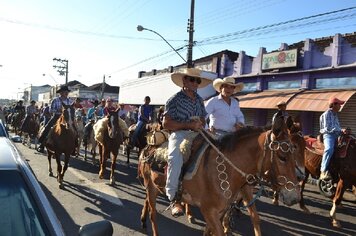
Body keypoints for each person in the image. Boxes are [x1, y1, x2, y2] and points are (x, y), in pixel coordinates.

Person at [163, 68, 212, 217]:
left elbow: (203, 118)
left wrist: (200, 123)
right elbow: (166, 123)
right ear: (184, 81)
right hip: (180, 134)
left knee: (219, 150)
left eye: (197, 80)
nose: (195, 83)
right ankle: (173, 198)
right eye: (192, 79)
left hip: (199, 132)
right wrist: (189, 125)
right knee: (175, 157)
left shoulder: (199, 100)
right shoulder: (174, 99)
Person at [37, 85, 73, 153]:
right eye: (65, 92)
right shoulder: (55, 100)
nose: (66, 93)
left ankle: (74, 146)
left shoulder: (70, 101)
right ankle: (42, 144)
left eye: (67, 92)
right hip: (56, 116)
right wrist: (58, 110)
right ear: (61, 93)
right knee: (47, 127)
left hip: (67, 117)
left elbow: (72, 109)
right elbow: (51, 110)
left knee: (75, 129)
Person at [319, 97, 344, 180]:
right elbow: (327, 128)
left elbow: (337, 127)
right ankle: (323, 171)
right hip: (328, 135)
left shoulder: (335, 115)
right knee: (329, 149)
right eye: (339, 104)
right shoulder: (326, 115)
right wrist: (340, 130)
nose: (340, 106)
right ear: (334, 105)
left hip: (337, 135)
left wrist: (344, 131)